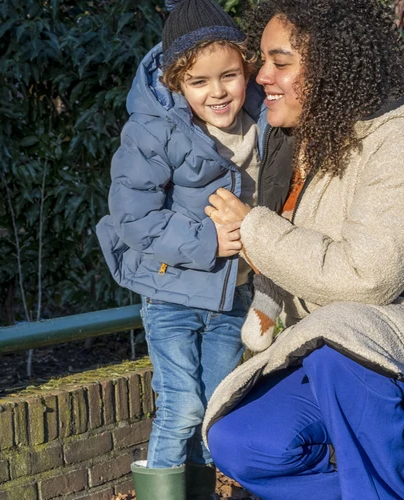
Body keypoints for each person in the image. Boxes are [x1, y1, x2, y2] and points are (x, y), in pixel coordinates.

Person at [201, 0, 404, 498]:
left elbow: (370, 277)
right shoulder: (293, 144)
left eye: (281, 62)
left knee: (334, 341)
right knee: (238, 441)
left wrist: (254, 228)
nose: (261, 76)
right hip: (339, 345)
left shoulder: (399, 141)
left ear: (329, 68)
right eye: (262, 60)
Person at [94, 1, 269, 498]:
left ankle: (203, 491)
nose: (217, 92)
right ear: (175, 82)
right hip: (171, 294)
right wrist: (207, 241)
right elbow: (133, 216)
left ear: (246, 68)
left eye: (229, 76)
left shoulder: (266, 120)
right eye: (199, 82)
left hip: (232, 298)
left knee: (216, 406)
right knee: (182, 404)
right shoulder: (152, 129)